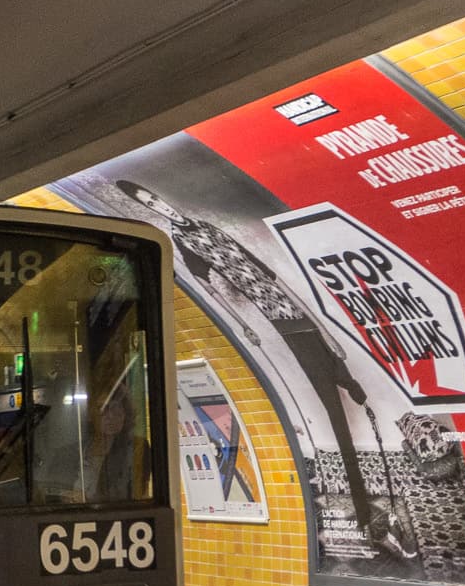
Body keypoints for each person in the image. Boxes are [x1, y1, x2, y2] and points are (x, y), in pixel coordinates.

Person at [112, 179, 418, 561]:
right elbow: (215, 289)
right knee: (333, 409)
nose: (161, 205)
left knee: (352, 391)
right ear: (149, 210)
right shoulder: (184, 243)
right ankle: (361, 508)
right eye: (149, 203)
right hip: (280, 328)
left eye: (155, 196)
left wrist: (322, 329)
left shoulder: (209, 229)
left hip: (296, 319)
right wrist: (244, 328)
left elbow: (272, 280)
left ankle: (367, 507)